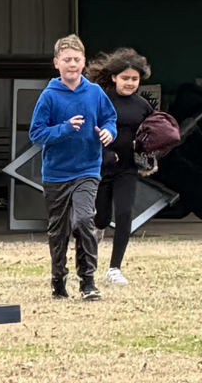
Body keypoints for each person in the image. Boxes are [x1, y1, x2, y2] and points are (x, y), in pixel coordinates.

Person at [29, 34, 117, 301]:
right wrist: (65, 129)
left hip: (88, 168)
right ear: (57, 63)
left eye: (77, 59)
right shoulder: (49, 96)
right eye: (67, 60)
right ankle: (58, 278)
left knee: (83, 220)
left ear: (84, 62)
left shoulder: (95, 93)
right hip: (56, 173)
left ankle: (88, 281)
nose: (72, 64)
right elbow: (36, 134)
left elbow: (109, 118)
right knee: (59, 230)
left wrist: (109, 133)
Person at [84, 48, 154, 286]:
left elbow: (153, 135)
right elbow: (88, 132)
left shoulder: (143, 106)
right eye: (125, 78)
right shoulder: (100, 100)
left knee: (125, 213)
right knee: (101, 217)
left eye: (134, 79)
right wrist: (104, 153)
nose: (130, 83)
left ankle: (114, 268)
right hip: (101, 167)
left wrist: (148, 150)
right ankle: (98, 233)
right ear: (114, 77)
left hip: (128, 168)